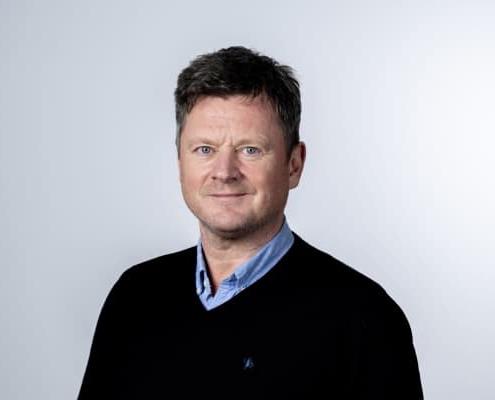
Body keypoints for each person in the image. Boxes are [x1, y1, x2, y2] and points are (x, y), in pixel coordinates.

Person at [78, 45, 423, 399]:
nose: (224, 172)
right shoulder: (134, 298)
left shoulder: (364, 318)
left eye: (250, 150)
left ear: (294, 165)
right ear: (180, 162)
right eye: (205, 150)